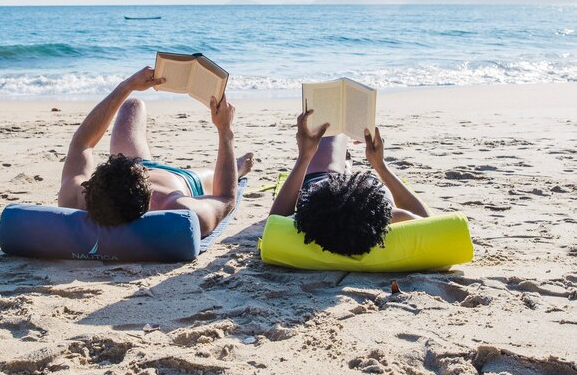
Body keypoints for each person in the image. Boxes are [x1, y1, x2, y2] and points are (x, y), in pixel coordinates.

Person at [58, 66, 253, 234]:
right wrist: (225, 130)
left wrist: (129, 85)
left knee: (132, 105)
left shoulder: (77, 196)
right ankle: (238, 168)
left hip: (130, 174)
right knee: (228, 172)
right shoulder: (177, 207)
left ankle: (133, 152)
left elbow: (82, 144)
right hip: (181, 180)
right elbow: (225, 198)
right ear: (149, 198)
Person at [269, 109, 429, 256]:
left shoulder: (314, 218)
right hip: (333, 185)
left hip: (323, 178)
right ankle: (346, 166)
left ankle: (344, 165)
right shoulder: (389, 216)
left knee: (329, 131)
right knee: (338, 131)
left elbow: (273, 222)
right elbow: (428, 222)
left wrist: (304, 156)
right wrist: (381, 166)